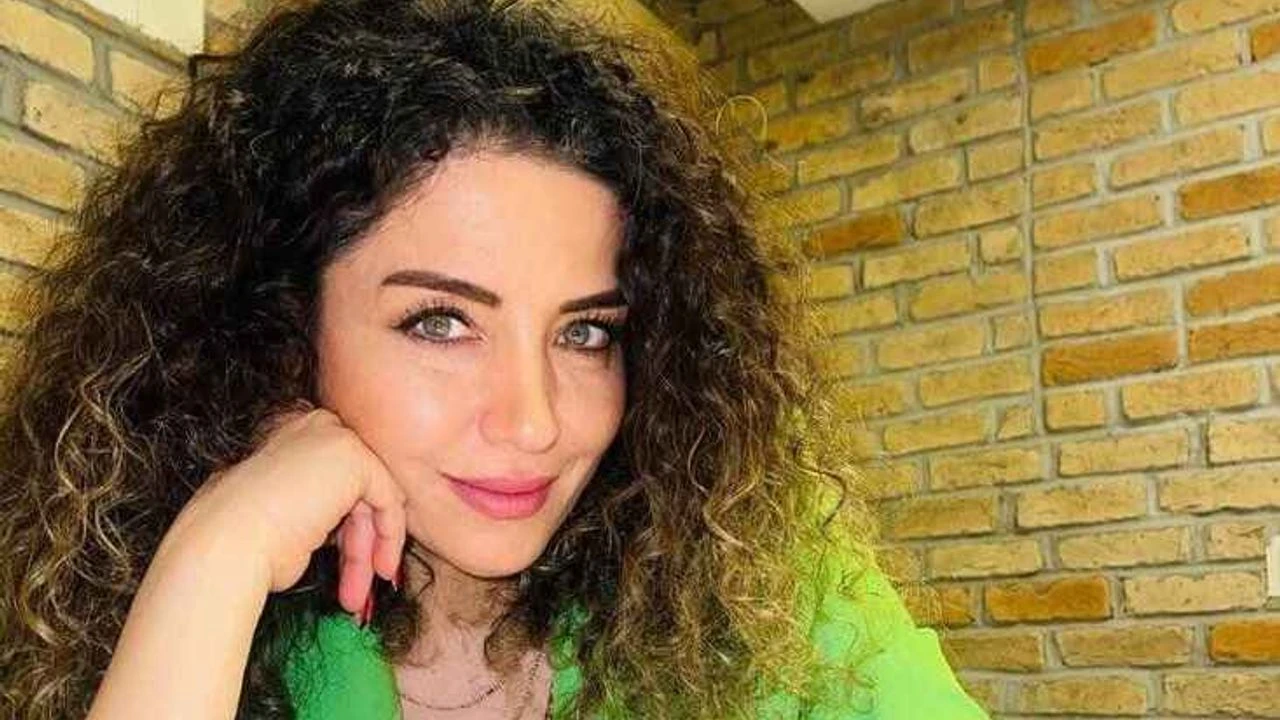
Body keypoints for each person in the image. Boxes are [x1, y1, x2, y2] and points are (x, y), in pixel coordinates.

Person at [0, 0, 992, 718]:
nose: (533, 422)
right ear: (279, 329)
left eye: (586, 332)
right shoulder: (163, 615)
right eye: (440, 322)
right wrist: (216, 555)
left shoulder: (771, 593)